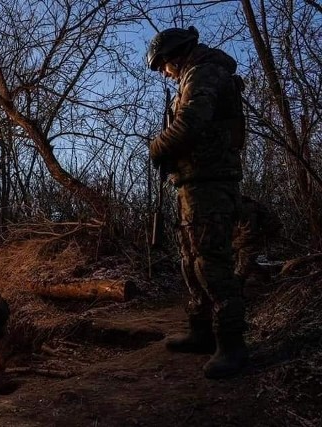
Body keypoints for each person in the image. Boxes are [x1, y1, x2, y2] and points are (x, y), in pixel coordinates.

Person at [147, 26, 248, 378]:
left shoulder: (203, 72)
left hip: (211, 182)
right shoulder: (194, 73)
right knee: (191, 259)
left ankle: (231, 343)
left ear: (175, 55)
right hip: (193, 181)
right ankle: (202, 329)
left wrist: (159, 146)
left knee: (211, 261)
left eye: (163, 65)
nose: (163, 71)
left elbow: (192, 121)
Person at [233, 195, 282, 285]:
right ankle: (261, 274)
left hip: (265, 233)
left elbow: (249, 234)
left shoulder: (246, 208)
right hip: (255, 233)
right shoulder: (233, 208)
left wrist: (232, 246)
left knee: (242, 264)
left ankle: (268, 278)